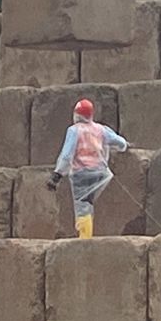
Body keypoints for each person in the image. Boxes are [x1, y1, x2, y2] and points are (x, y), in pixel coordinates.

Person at [47, 97, 128, 239]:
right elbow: (120, 143)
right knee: (89, 202)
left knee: (82, 205)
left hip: (81, 173)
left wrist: (57, 174)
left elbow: (67, 155)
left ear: (76, 114)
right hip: (101, 174)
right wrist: (125, 145)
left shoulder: (74, 131)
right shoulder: (101, 129)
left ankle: (85, 239)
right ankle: (87, 234)